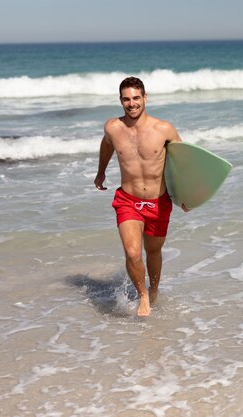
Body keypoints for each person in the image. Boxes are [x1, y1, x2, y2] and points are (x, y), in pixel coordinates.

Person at [94, 77, 189, 317]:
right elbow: (107, 146)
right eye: (126, 99)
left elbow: (184, 162)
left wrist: (187, 194)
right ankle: (143, 296)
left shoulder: (164, 129)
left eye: (136, 98)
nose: (132, 103)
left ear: (145, 98)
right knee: (133, 252)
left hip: (159, 202)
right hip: (128, 200)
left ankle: (154, 289)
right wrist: (101, 171)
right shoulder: (113, 128)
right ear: (120, 100)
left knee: (153, 252)